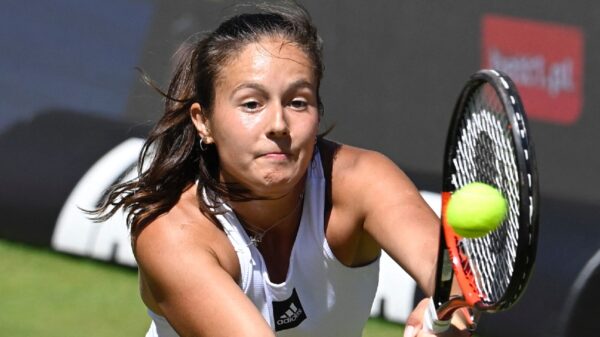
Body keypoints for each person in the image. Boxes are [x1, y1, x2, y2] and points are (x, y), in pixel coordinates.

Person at [94, 2, 470, 337]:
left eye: (298, 102)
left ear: (318, 111)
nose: (278, 123)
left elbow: (447, 273)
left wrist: (445, 311)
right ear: (203, 120)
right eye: (252, 103)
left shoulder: (362, 181)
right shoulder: (170, 233)